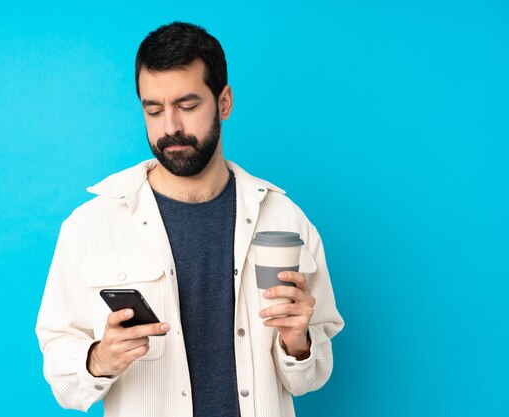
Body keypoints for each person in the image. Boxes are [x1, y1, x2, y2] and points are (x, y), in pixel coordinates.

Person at [36, 21, 344, 417]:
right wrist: (100, 359)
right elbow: (63, 377)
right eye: (154, 110)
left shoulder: (284, 219)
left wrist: (298, 343)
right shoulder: (91, 224)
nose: (170, 128)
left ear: (224, 102)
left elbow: (310, 378)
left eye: (188, 106)